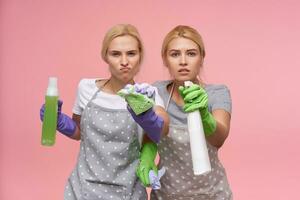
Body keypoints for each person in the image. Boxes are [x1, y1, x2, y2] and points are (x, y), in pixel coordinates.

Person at [40, 24, 169, 200]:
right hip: (83, 189)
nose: (124, 61)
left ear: (140, 56)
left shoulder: (147, 95)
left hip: (128, 191)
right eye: (116, 54)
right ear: (105, 56)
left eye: (131, 53)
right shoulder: (86, 88)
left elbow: (163, 128)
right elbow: (79, 131)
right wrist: (59, 122)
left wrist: (148, 117)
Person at [137, 25, 233, 200]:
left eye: (191, 53)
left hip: (211, 193)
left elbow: (219, 138)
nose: (183, 61)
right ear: (165, 59)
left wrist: (204, 114)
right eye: (174, 54)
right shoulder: (156, 92)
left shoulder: (217, 93)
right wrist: (147, 156)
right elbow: (151, 134)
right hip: (167, 194)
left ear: (202, 58)